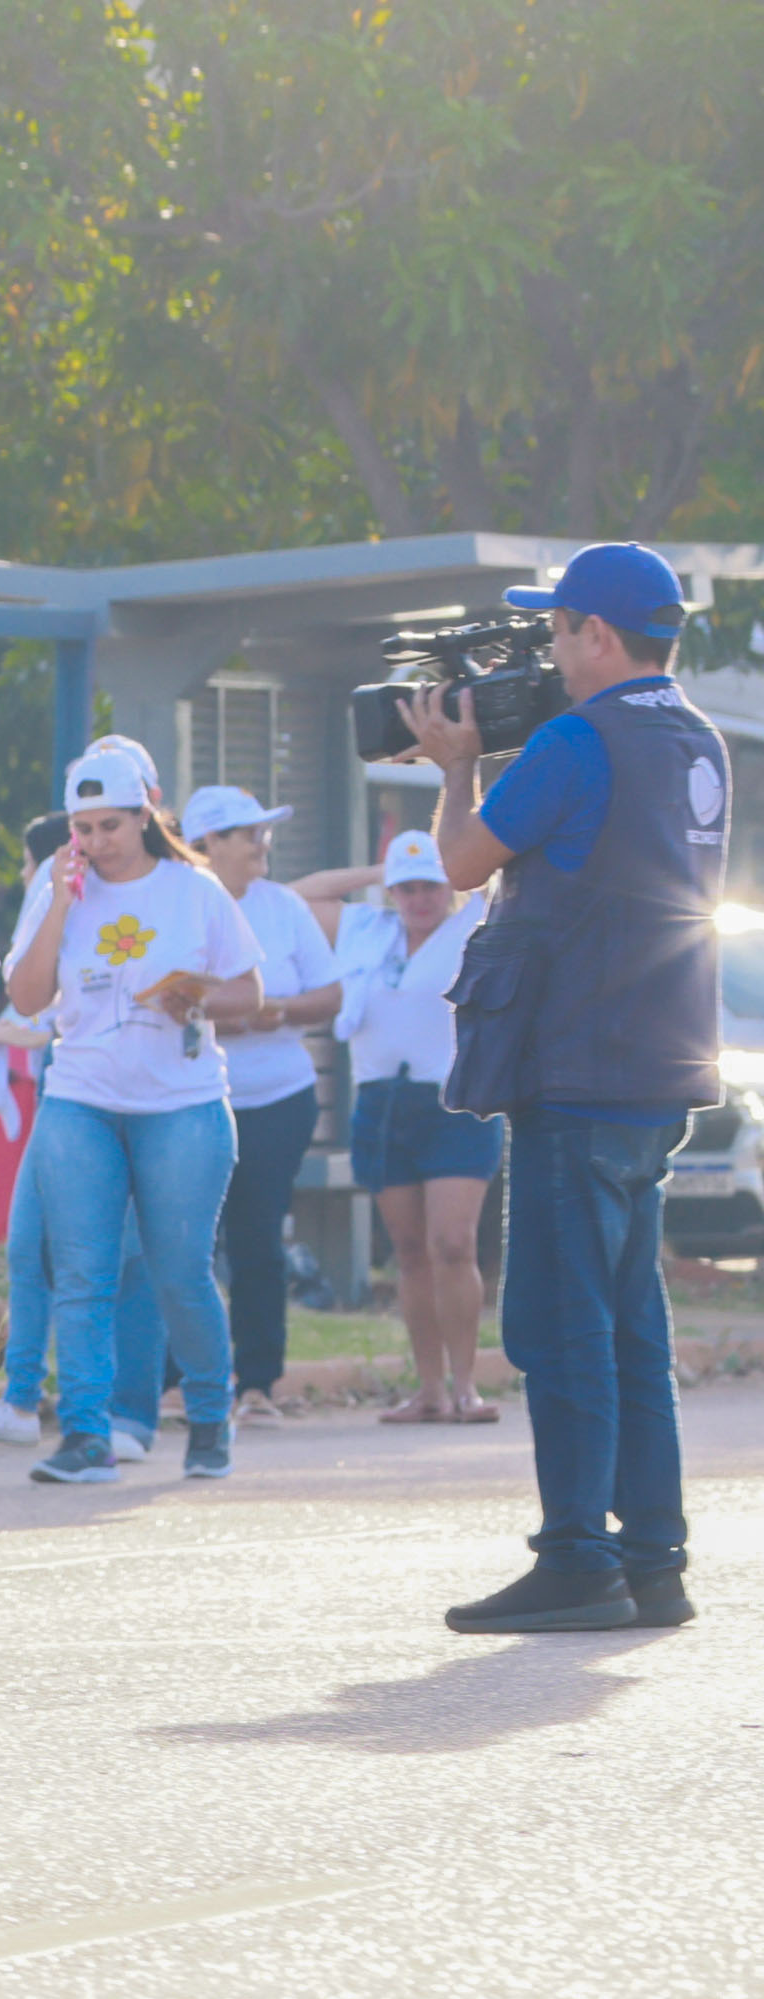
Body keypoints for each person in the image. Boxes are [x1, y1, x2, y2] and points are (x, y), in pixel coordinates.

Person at [413, 543, 731, 1634]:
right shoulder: (701, 738)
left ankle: (577, 1556)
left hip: (578, 1071)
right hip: (661, 1068)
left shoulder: (574, 739)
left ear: (596, 633)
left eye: (555, 629)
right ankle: (655, 1558)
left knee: (560, 1323)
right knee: (632, 1321)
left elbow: (460, 861)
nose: (547, 649)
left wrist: (458, 761)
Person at [0, 738, 265, 1493]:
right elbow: (24, 998)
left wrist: (199, 994)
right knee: (82, 1271)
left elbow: (250, 993)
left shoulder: (194, 889)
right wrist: (57, 904)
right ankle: (86, 1435)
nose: (93, 843)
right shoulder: (59, 887)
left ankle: (210, 1415)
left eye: (109, 826)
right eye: (82, 828)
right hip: (80, 1098)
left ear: (145, 817)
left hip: (180, 1105)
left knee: (180, 1271)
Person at [319, 827, 498, 1427]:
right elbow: (295, 898)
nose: (420, 899)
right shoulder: (369, 931)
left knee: (454, 1242)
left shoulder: (472, 923)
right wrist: (377, 873)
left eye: (430, 885)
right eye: (407, 887)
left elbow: (490, 869)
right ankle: (429, 1388)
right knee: (410, 1250)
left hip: (452, 1100)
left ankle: (467, 1383)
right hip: (383, 1100)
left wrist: (448, 860)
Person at [181, 783, 342, 1409]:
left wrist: (271, 1009)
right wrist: (229, 1017)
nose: (262, 843)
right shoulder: (177, 905)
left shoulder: (284, 906)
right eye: (248, 833)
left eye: (263, 831)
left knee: (257, 1242)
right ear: (206, 846)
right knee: (185, 1243)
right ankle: (180, 1381)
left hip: (278, 1100)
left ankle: (255, 1382)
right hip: (192, 1099)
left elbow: (329, 996)